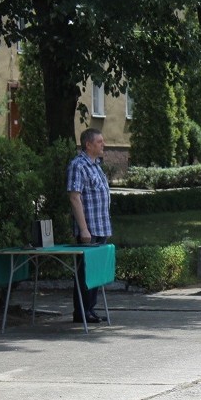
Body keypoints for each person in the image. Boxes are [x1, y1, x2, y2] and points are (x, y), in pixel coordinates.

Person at [67, 128, 112, 324]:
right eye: (100, 142)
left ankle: (90, 310)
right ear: (88, 144)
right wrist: (84, 229)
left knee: (96, 273)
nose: (103, 145)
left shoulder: (96, 165)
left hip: (101, 226)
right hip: (90, 229)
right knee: (85, 273)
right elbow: (75, 197)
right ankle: (81, 312)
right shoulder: (78, 165)